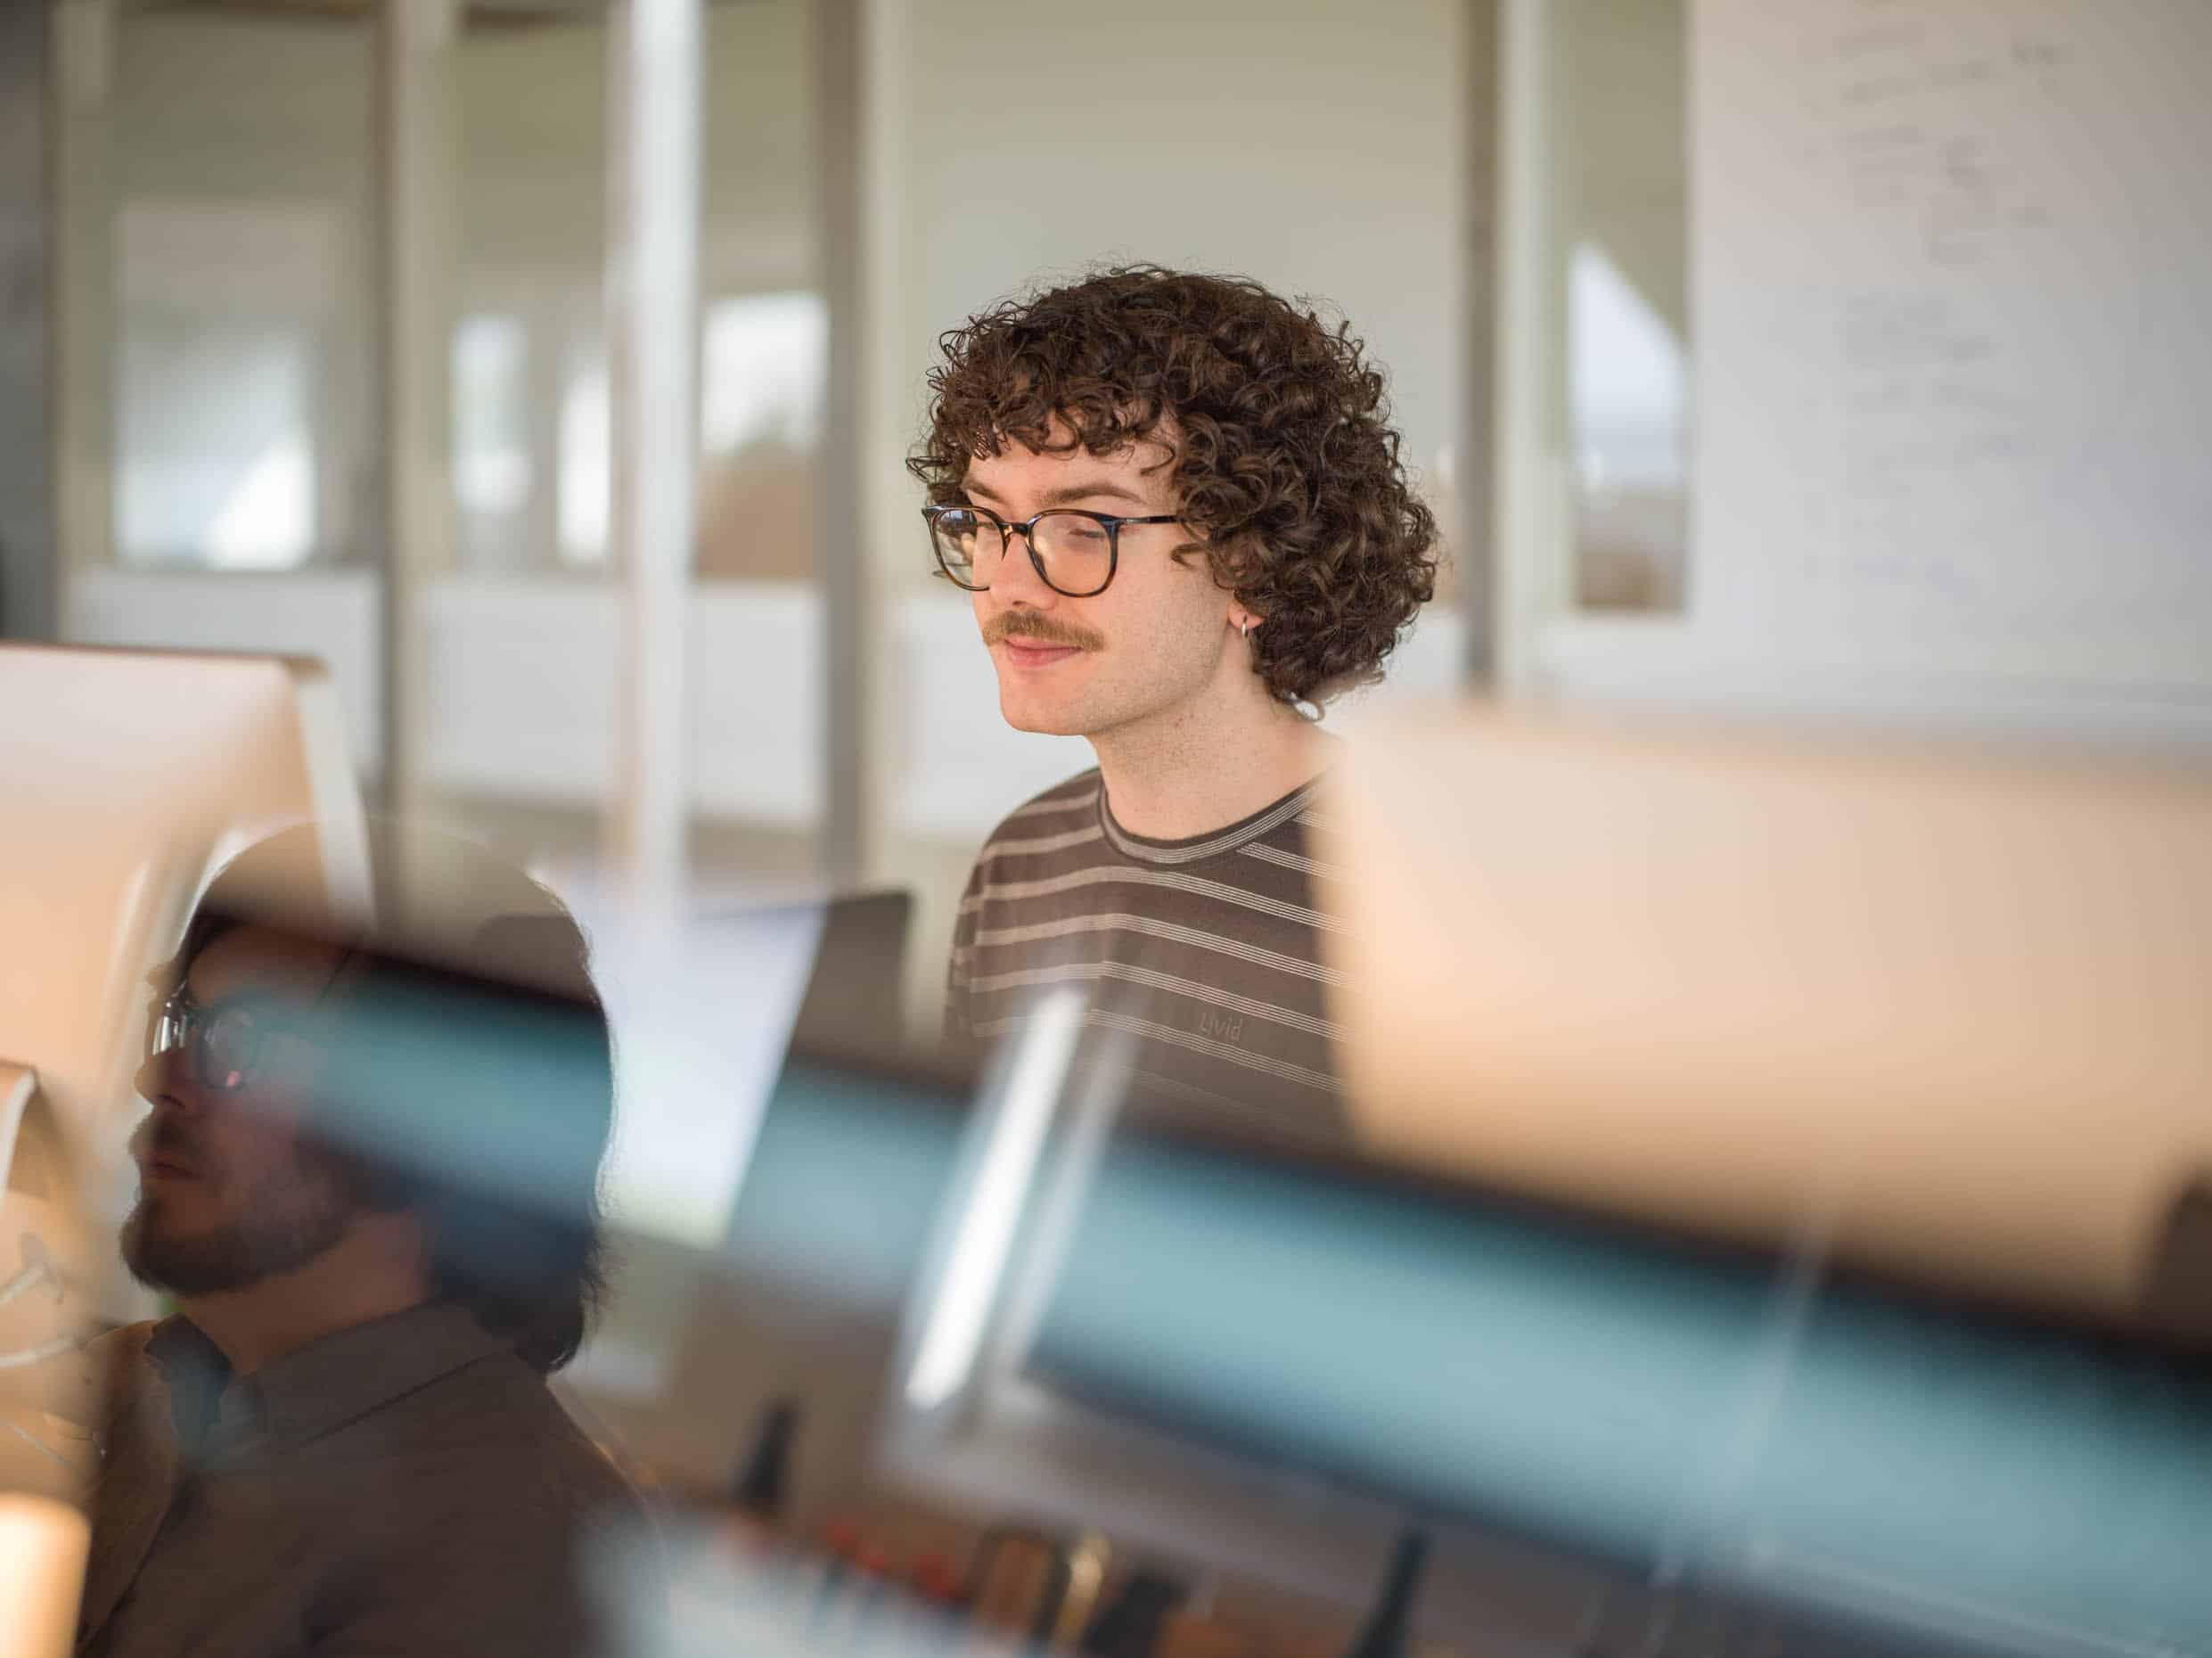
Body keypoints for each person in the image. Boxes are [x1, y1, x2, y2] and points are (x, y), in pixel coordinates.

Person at [77, 849, 643, 1658]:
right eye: (183, 1022)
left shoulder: (528, 1548)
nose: (156, 1076)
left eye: (244, 1041)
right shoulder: (111, 1388)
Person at [919, 266, 1438, 1135]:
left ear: (1251, 563)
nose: (1008, 584)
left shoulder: (1418, 896)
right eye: (986, 524)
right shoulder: (1020, 865)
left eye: (1084, 528)